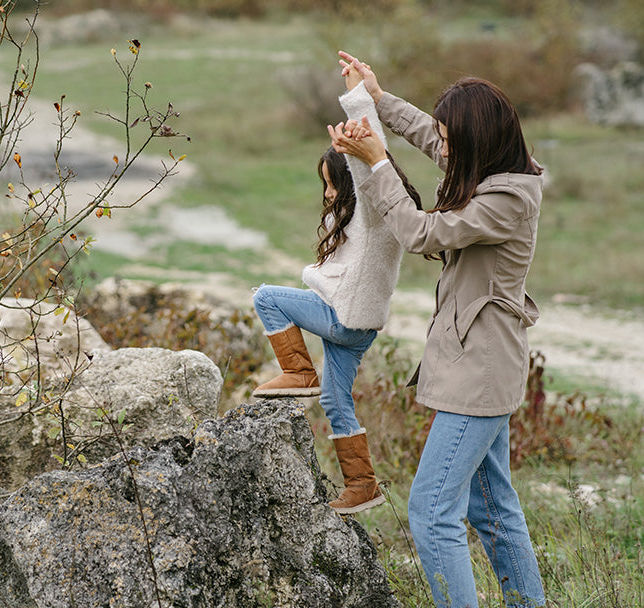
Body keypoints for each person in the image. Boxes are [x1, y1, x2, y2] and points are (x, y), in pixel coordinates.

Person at [328, 51, 547, 608]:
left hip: (480, 368)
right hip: (475, 362)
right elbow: (431, 134)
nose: (441, 148)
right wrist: (377, 99)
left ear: (476, 140)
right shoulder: (492, 166)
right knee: (492, 506)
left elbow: (422, 233)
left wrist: (379, 165)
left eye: (452, 140)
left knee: (430, 511)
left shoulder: (507, 199)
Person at [252, 75, 433, 514]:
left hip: (341, 316)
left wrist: (358, 104)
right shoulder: (377, 216)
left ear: (355, 184)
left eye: (332, 184)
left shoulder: (372, 214)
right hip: (360, 329)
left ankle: (298, 373)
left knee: (267, 298)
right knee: (336, 401)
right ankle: (362, 485)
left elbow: (371, 163)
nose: (328, 194)